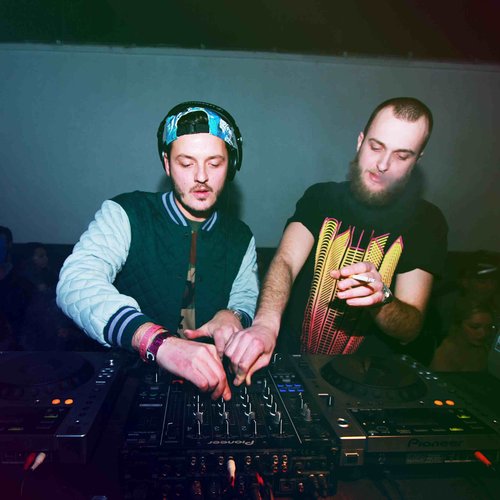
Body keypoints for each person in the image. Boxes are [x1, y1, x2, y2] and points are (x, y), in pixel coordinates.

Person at [223, 97, 448, 385]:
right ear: (360, 142)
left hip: (368, 386)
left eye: (402, 156)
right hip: (291, 367)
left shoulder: (427, 222)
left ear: (416, 160)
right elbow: (286, 261)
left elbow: (410, 328)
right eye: (376, 147)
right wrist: (265, 325)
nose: (383, 164)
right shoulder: (321, 197)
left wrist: (382, 301)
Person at [57, 101, 259, 399]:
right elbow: (76, 282)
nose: (201, 176)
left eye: (214, 163)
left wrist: (234, 315)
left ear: (231, 165)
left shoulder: (241, 236)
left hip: (210, 385)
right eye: (186, 163)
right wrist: (156, 342)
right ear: (167, 163)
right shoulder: (125, 213)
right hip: (128, 383)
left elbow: (246, 296)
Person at [430, 299, 495, 372]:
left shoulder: (485, 351)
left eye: (489, 328)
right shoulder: (444, 353)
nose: (484, 333)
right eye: (474, 327)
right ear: (458, 325)